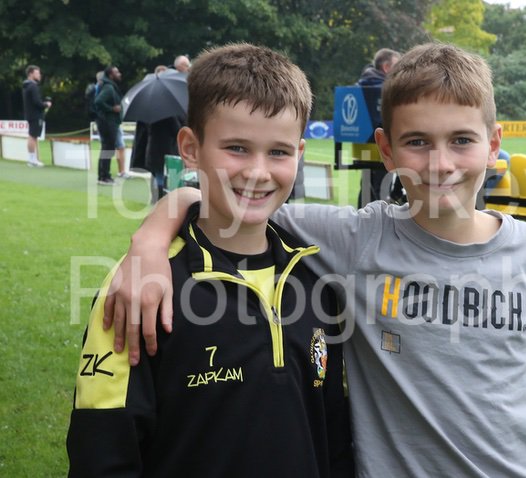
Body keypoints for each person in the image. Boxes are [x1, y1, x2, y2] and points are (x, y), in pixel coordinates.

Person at [103, 42, 526, 477]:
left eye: (461, 140)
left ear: (494, 145)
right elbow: (228, 197)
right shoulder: (358, 239)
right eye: (417, 142)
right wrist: (149, 242)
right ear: (386, 150)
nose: (440, 163)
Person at [66, 43, 354, 477]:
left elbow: (332, 437)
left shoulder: (315, 277)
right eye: (236, 147)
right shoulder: (142, 285)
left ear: (299, 153)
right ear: (191, 147)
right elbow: (103, 450)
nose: (257, 172)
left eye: (278, 152)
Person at [355, 48, 402, 207]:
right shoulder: (386, 89)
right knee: (380, 185)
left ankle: (362, 215)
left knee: (366, 183)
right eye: (397, 66)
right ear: (386, 67)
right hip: (382, 145)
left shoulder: (360, 84)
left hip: (361, 145)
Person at [94, 65, 124, 185]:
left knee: (107, 148)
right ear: (111, 75)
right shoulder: (109, 87)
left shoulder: (108, 85)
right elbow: (98, 101)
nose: (119, 74)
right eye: (117, 72)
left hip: (107, 121)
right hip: (107, 121)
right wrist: (112, 109)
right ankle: (104, 177)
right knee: (108, 148)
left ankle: (103, 175)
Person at [22, 65, 52, 168]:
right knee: (32, 136)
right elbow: (37, 102)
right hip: (35, 115)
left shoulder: (27, 85)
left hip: (30, 114)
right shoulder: (33, 86)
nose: (39, 75)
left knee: (33, 136)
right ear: (31, 74)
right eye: (37, 73)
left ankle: (32, 159)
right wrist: (46, 104)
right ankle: (32, 160)